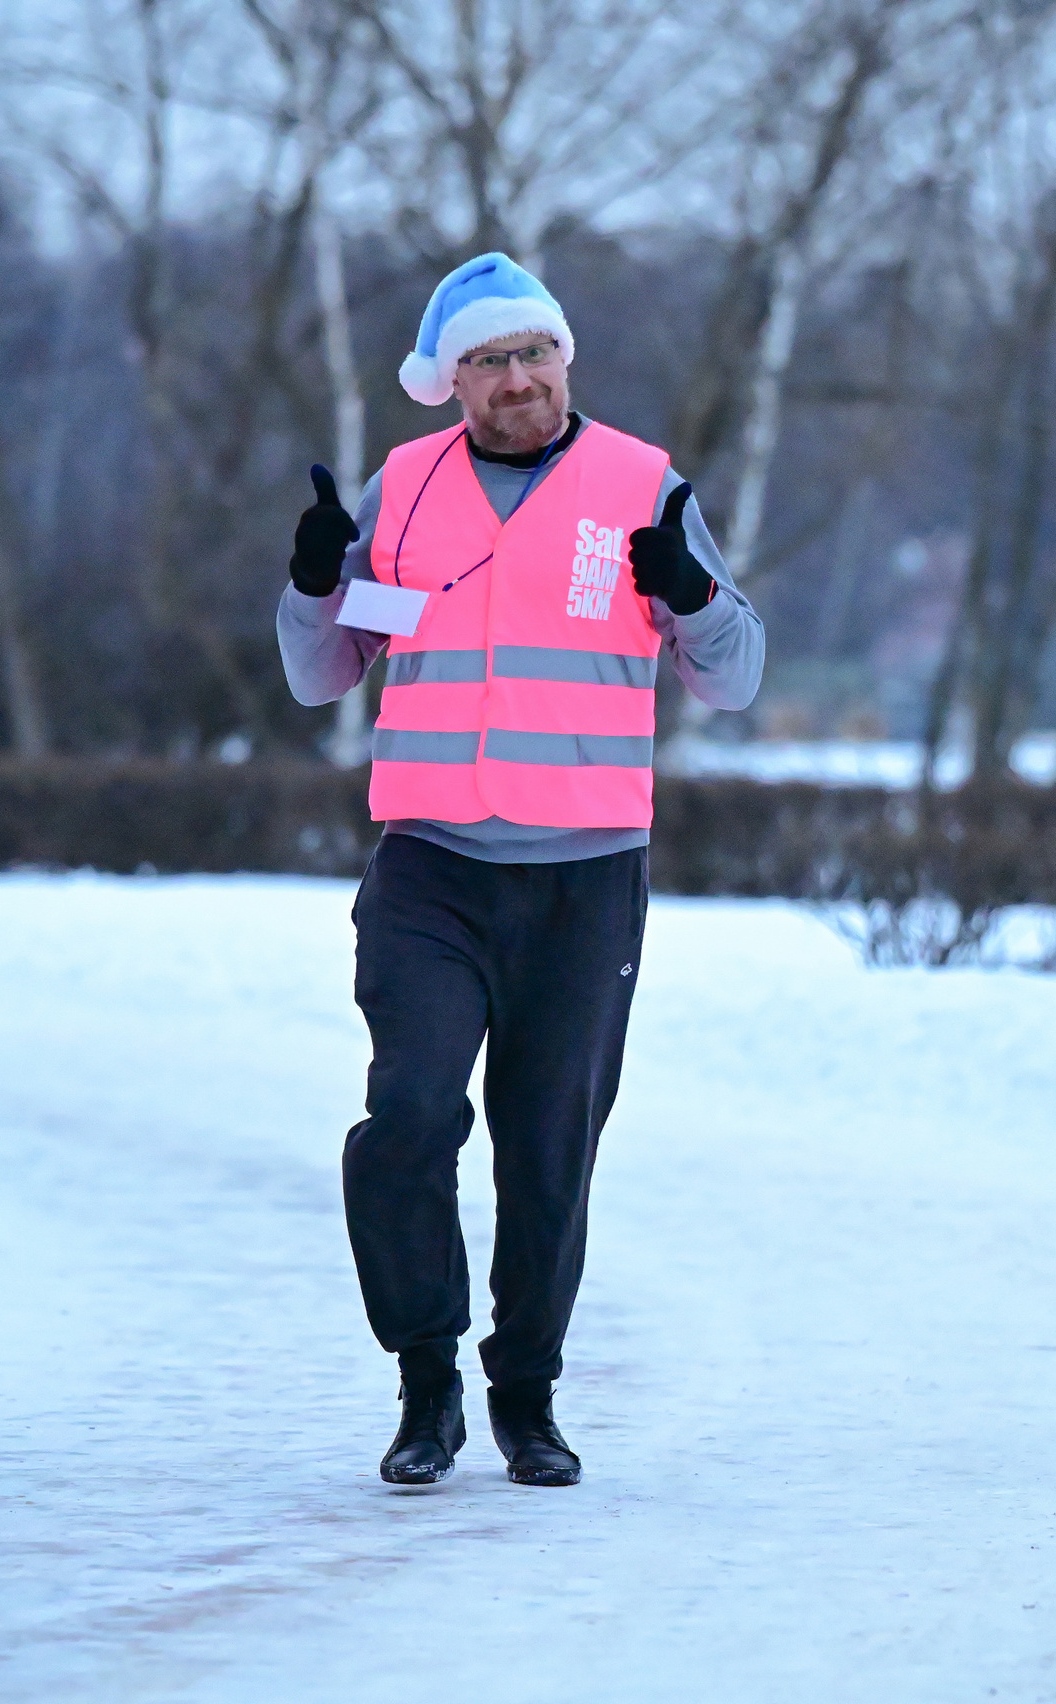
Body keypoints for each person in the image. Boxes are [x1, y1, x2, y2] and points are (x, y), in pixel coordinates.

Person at [278, 254, 765, 1487]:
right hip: (430, 866)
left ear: (566, 358)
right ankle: (426, 1382)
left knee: (547, 1147)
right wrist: (310, 584)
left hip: (584, 874)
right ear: (451, 383)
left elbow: (738, 671)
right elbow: (320, 673)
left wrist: (692, 596)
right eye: (489, 362)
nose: (517, 381)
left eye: (533, 354)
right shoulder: (403, 487)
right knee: (406, 1124)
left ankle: (528, 1397)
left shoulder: (642, 484)